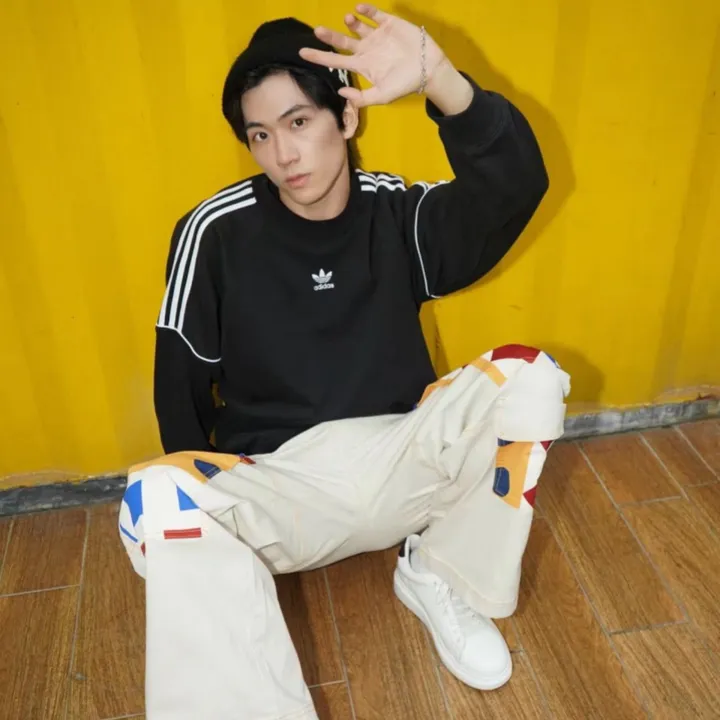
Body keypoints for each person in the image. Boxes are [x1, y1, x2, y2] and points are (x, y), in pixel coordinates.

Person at [118, 6, 570, 719]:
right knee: (151, 500)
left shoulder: (394, 213)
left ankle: (439, 573)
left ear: (347, 117)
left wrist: (440, 77)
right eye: (260, 135)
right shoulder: (215, 231)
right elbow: (180, 384)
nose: (282, 154)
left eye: (298, 122)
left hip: (402, 467)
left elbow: (515, 185)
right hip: (283, 488)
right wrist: (215, 527)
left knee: (532, 377)